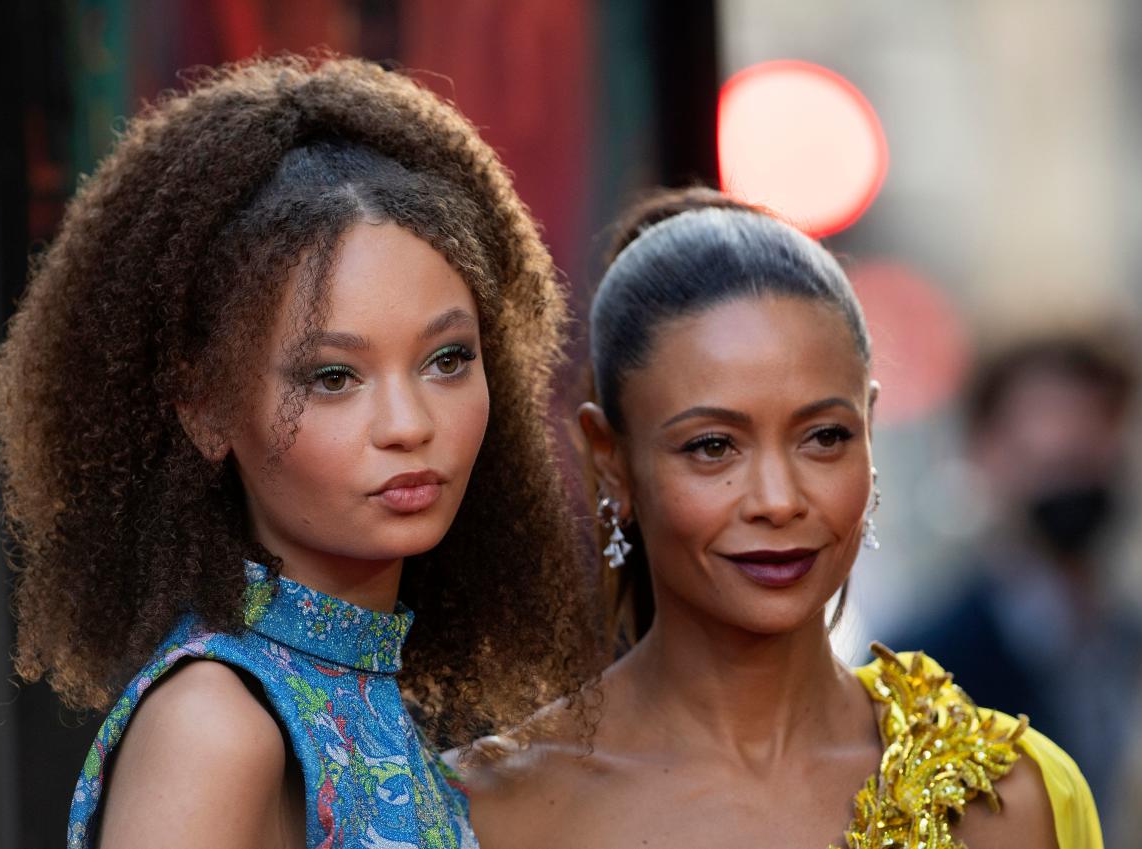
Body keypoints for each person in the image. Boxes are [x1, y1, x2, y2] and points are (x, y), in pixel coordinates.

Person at [0, 56, 596, 848]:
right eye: (333, 376)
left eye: (447, 359)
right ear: (203, 409)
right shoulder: (215, 722)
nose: (408, 423)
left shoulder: (356, 693)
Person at [459, 189, 1102, 849]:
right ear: (612, 460)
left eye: (824, 437)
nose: (778, 498)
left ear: (870, 432)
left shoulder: (1008, 791)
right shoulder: (486, 812)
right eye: (713, 446)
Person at [888, 333, 1142, 830]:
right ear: (985, 452)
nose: (1073, 443)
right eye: (1046, 432)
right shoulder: (926, 670)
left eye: (1096, 426)